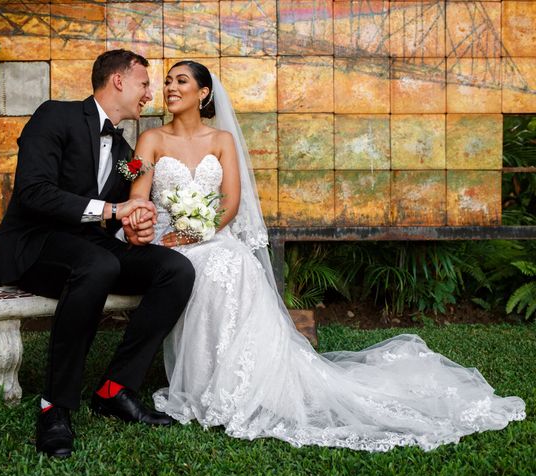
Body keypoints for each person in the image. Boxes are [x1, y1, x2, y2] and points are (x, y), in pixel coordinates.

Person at [125, 60, 526, 452]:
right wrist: (151, 226)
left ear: (204, 92)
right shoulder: (152, 139)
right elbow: (139, 196)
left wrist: (200, 229)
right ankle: (201, 382)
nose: (171, 89)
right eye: (168, 83)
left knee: (233, 262)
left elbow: (231, 202)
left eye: (181, 81)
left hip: (211, 232)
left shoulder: (221, 141)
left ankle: (240, 381)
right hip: (168, 238)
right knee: (209, 266)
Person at [0, 50, 195, 459]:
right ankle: (55, 407)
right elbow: (34, 192)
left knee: (175, 269)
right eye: (144, 83)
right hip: (37, 243)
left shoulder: (126, 152)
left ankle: (116, 389)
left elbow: (120, 210)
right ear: (118, 81)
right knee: (99, 264)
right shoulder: (54, 116)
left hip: (91, 246)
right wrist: (114, 212)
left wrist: (132, 227)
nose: (150, 93)